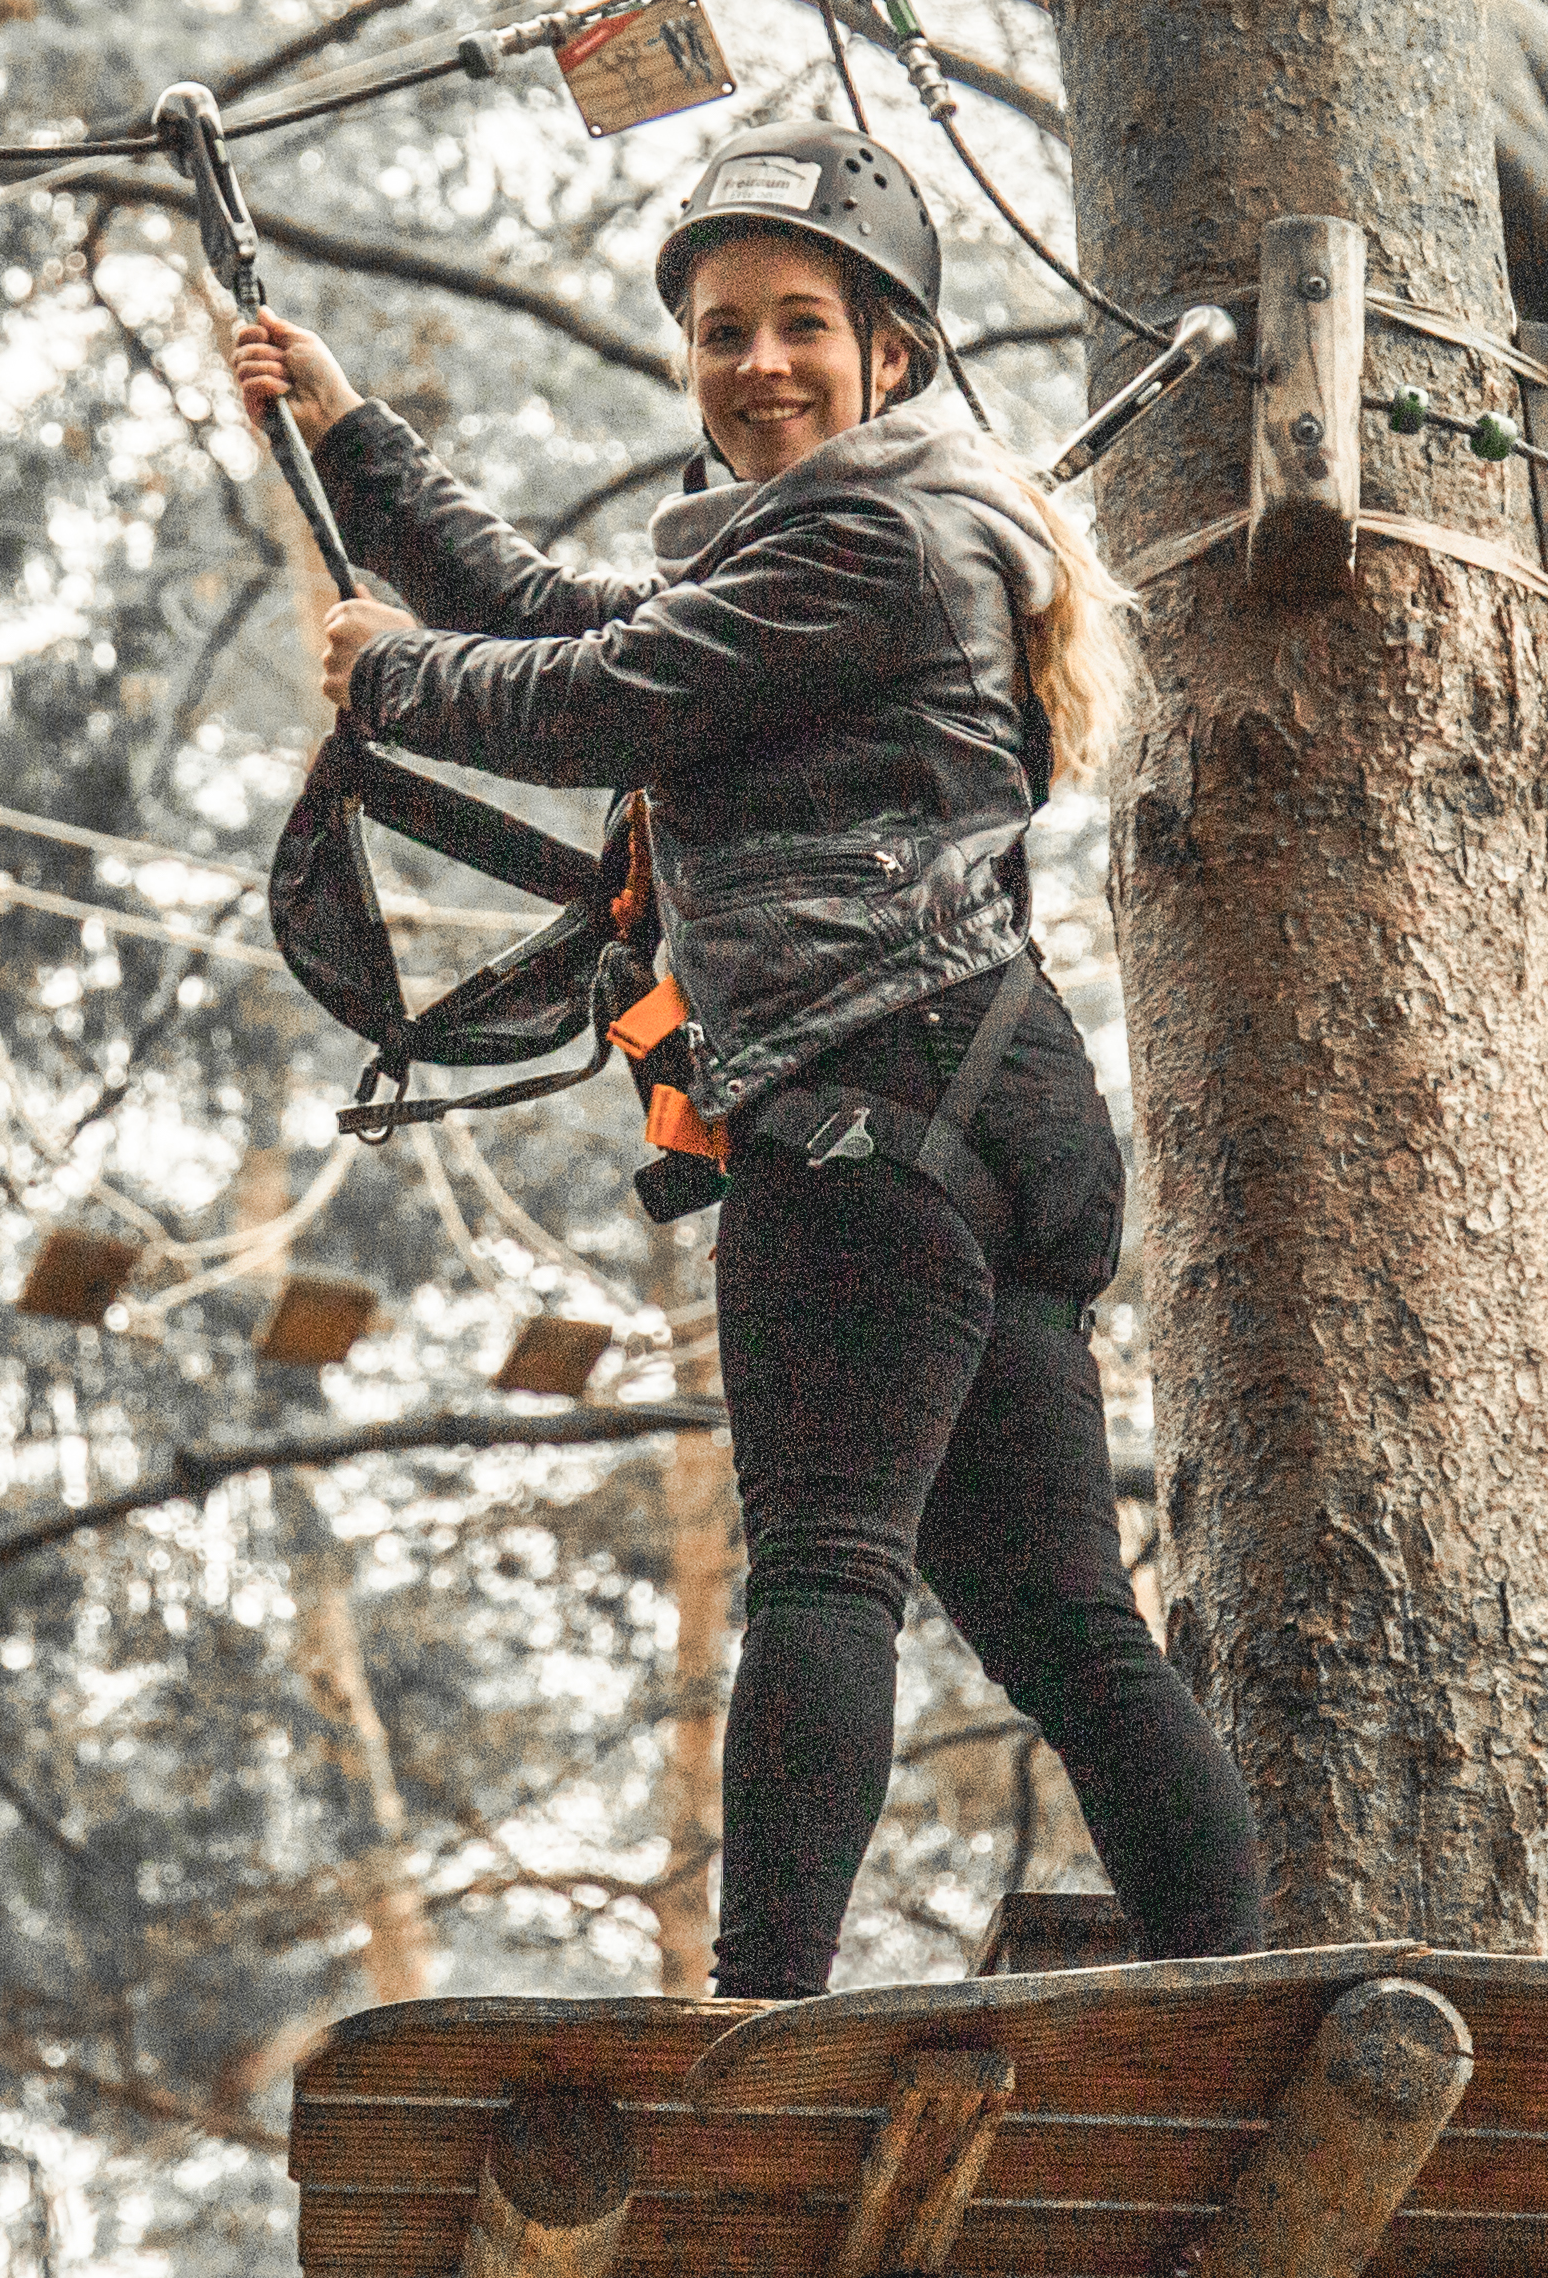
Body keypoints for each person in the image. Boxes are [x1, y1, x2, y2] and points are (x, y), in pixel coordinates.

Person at [226, 124, 1264, 1997]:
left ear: (892, 356)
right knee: (1063, 1625)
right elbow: (575, 623)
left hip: (869, 1104)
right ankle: (1234, 1981)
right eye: (721, 333)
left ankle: (758, 2009)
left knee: (817, 1562)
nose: (758, 364)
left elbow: (591, 702)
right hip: (987, 1101)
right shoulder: (882, 534)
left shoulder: (877, 535)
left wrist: (382, 675)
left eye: (801, 326)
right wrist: (355, 440)